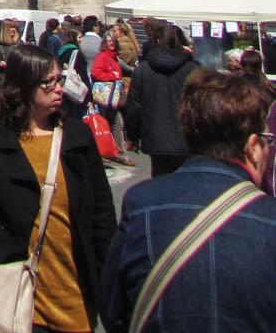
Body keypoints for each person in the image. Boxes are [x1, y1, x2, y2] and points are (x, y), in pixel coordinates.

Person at [0, 43, 116, 333]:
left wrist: (111, 280)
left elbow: (102, 215)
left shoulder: (77, 136)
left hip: (72, 287)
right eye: (48, 82)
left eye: (59, 80)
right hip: (14, 291)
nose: (58, 89)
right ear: (24, 87)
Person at [100, 70, 276, 332]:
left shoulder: (141, 203)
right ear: (252, 147)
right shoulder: (270, 219)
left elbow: (113, 311)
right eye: (267, 141)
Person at [126, 22, 199, 178]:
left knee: (160, 182)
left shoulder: (143, 69)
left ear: (156, 41)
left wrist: (132, 136)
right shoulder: (193, 69)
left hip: (155, 136)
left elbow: (134, 106)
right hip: (186, 136)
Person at [91, 32, 134, 166]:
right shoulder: (102, 56)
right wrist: (112, 75)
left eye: (113, 41)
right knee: (111, 125)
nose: (111, 43)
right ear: (104, 42)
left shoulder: (114, 58)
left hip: (112, 99)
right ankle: (113, 154)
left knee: (115, 124)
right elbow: (95, 73)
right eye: (108, 40)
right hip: (104, 99)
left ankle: (114, 153)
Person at [57, 24, 91, 121]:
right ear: (73, 38)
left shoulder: (63, 50)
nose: (81, 40)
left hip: (65, 90)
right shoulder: (76, 53)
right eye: (79, 37)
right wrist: (89, 98)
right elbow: (83, 75)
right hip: (74, 93)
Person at [0, 17, 20, 92]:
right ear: (5, 29)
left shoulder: (19, 42)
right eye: (11, 27)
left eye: (14, 27)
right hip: (1, 77)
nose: (13, 29)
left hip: (15, 78)